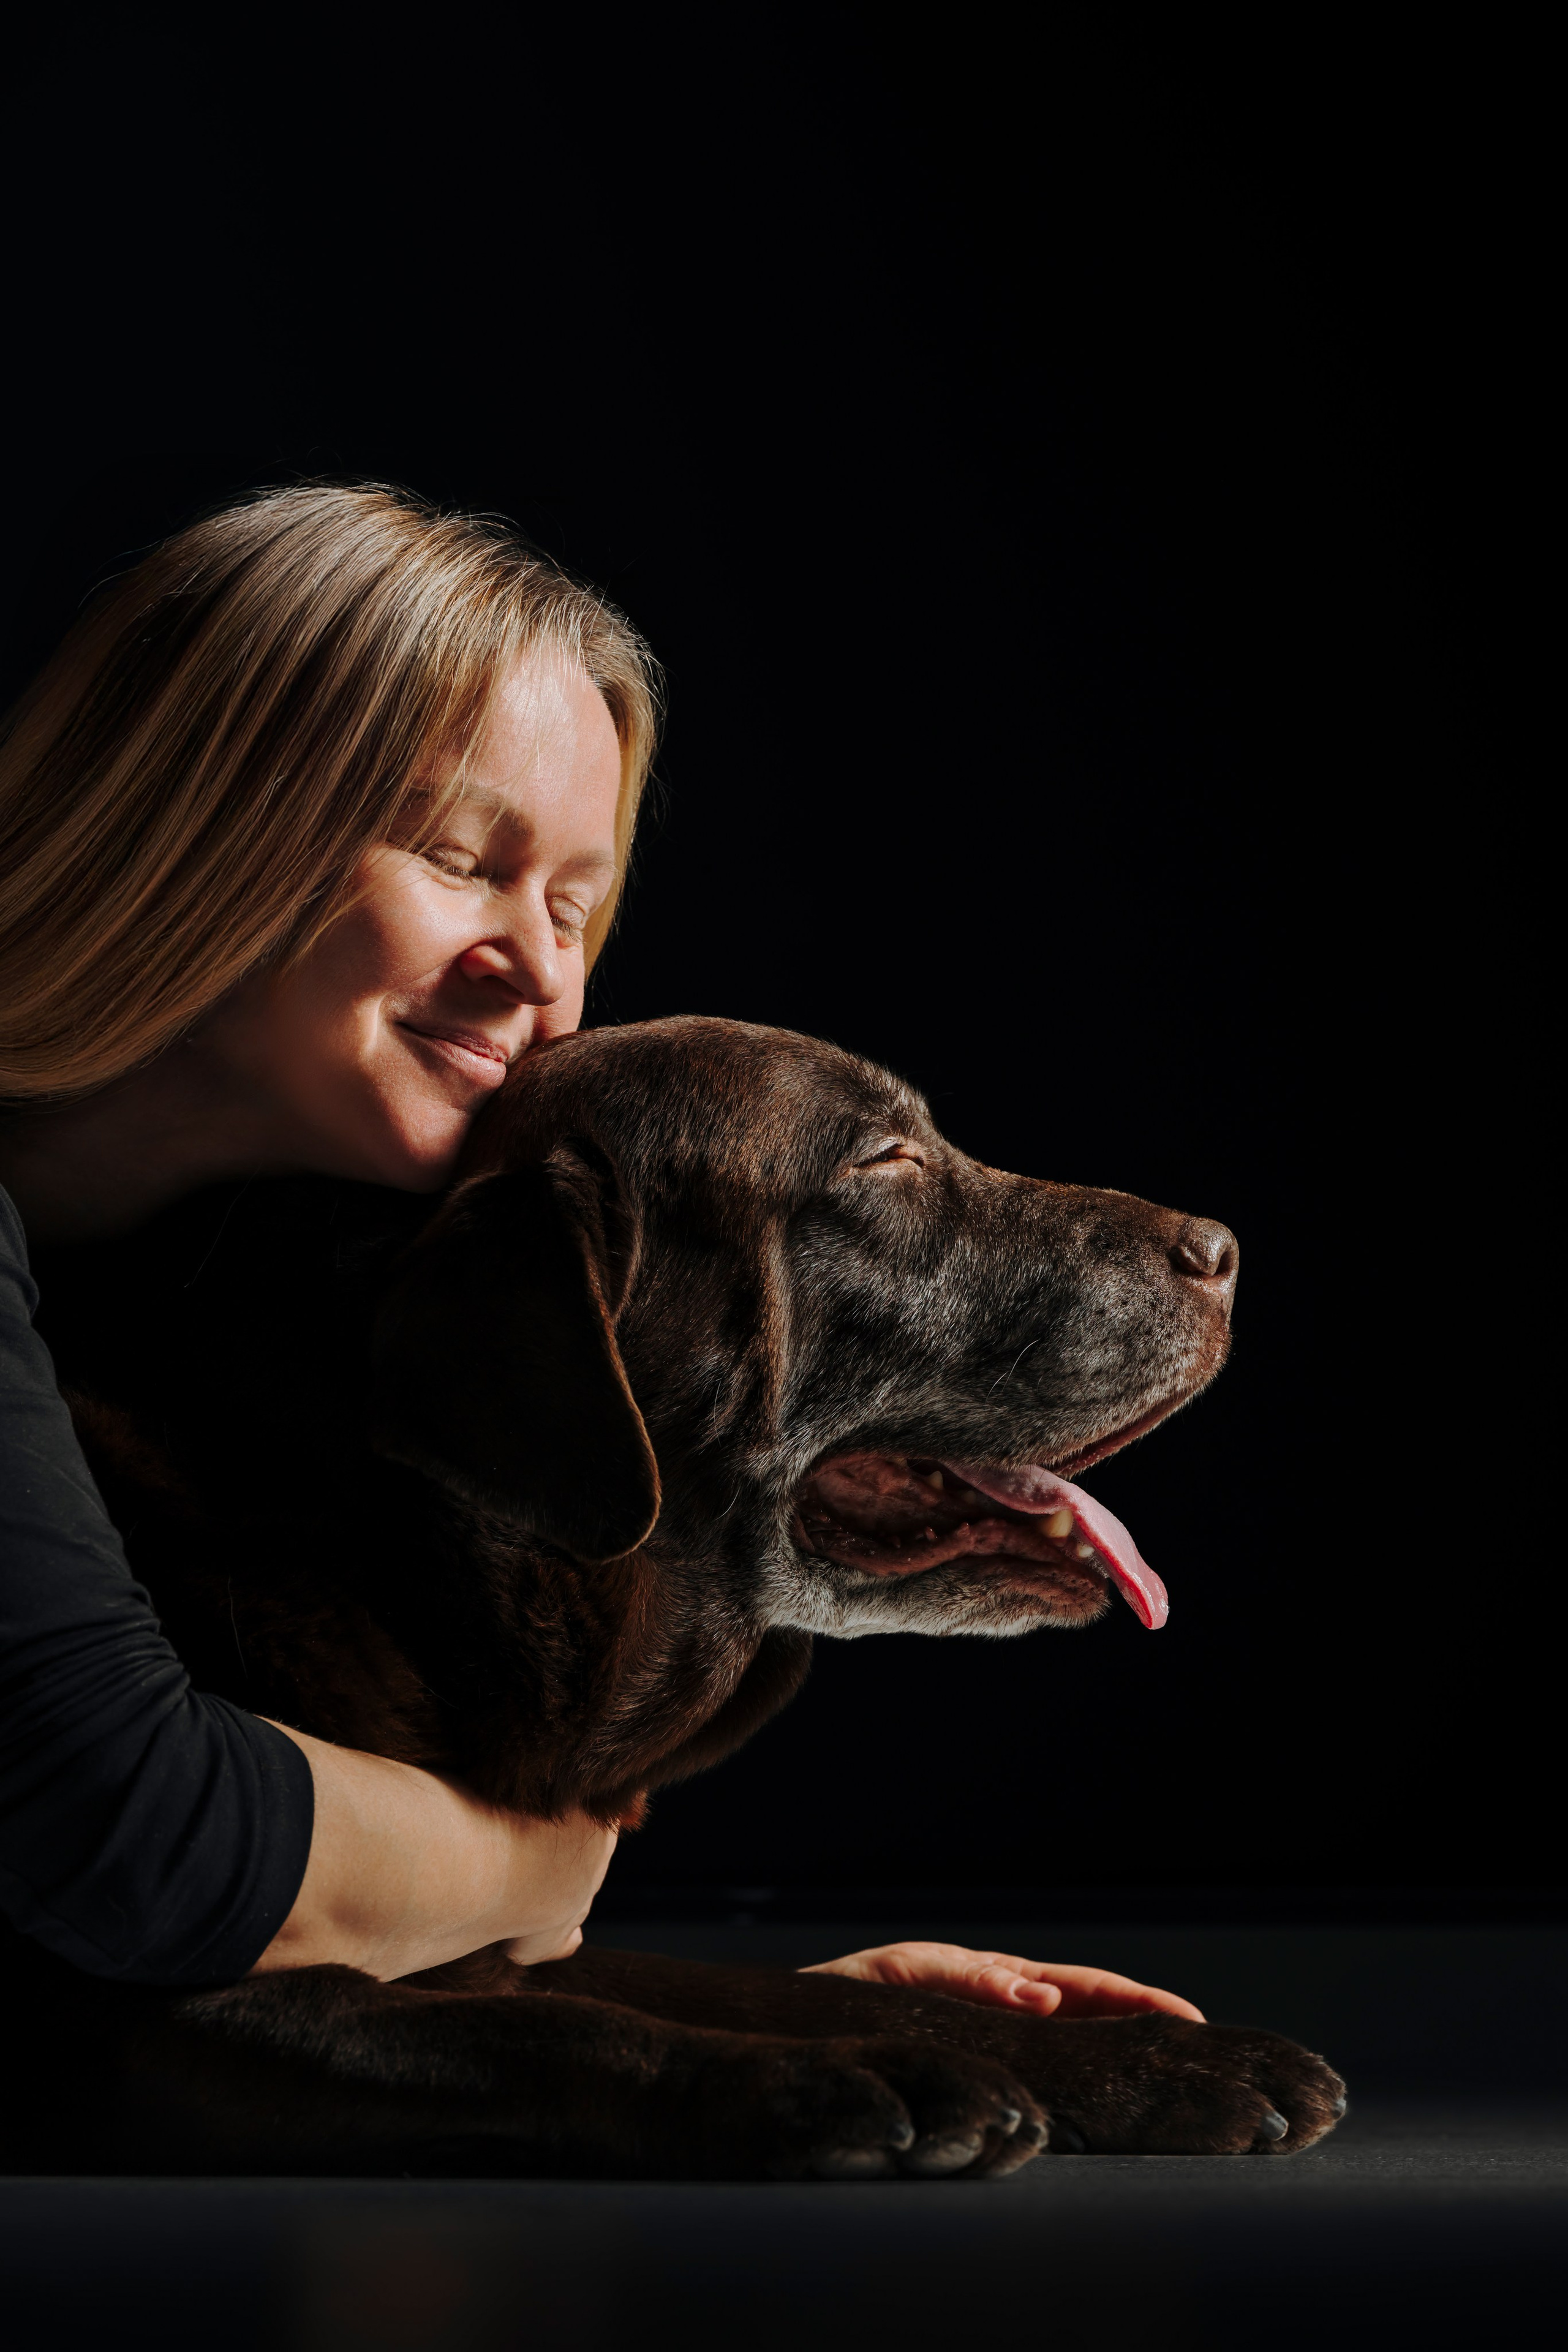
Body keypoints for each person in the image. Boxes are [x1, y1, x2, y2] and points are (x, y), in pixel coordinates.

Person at [0, 483, 1199, 2026]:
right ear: (193, 829)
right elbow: (127, 1833)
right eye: (457, 858)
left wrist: (780, 2012)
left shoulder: (208, 1295)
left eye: (574, 904)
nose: (540, 974)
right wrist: (530, 1870)